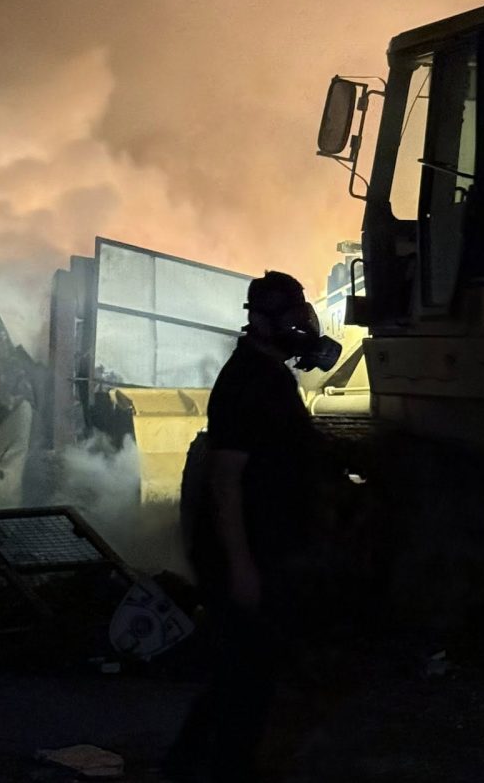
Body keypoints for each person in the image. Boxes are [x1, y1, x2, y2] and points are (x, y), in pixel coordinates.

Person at [175, 270, 341, 782]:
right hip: (246, 553)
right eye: (291, 314)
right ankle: (220, 768)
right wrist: (242, 567)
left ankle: (186, 765)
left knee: (241, 671)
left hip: (265, 546)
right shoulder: (248, 381)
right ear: (262, 321)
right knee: (249, 676)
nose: (301, 323)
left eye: (300, 311)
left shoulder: (268, 375)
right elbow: (226, 480)